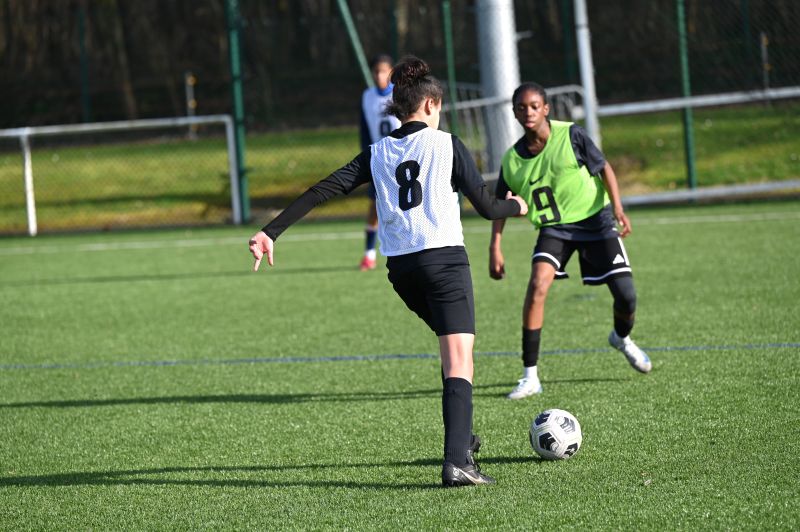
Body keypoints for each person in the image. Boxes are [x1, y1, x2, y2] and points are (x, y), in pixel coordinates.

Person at [249, 56, 528, 486]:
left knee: (454, 350)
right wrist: (517, 206)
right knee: (459, 357)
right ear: (431, 104)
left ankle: (462, 439)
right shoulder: (447, 145)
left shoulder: (377, 152)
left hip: (402, 271)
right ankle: (457, 462)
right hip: (444, 262)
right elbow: (489, 207)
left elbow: (323, 190)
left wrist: (271, 231)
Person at [488, 82, 651, 400]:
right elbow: (499, 205)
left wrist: (618, 209)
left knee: (627, 296)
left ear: (546, 109)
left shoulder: (571, 134)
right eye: (521, 107)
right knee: (537, 286)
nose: (528, 112)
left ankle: (621, 337)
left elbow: (605, 169)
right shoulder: (512, 160)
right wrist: (495, 246)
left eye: (534, 106)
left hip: (596, 221)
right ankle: (530, 376)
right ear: (515, 113)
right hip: (555, 230)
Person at [359, 54, 401, 271]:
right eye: (376, 71)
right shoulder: (367, 97)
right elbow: (365, 130)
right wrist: (367, 157)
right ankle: (369, 254)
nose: (379, 75)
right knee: (375, 206)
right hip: (379, 160)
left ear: (391, 72)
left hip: (401, 159)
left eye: (383, 71)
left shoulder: (400, 94)